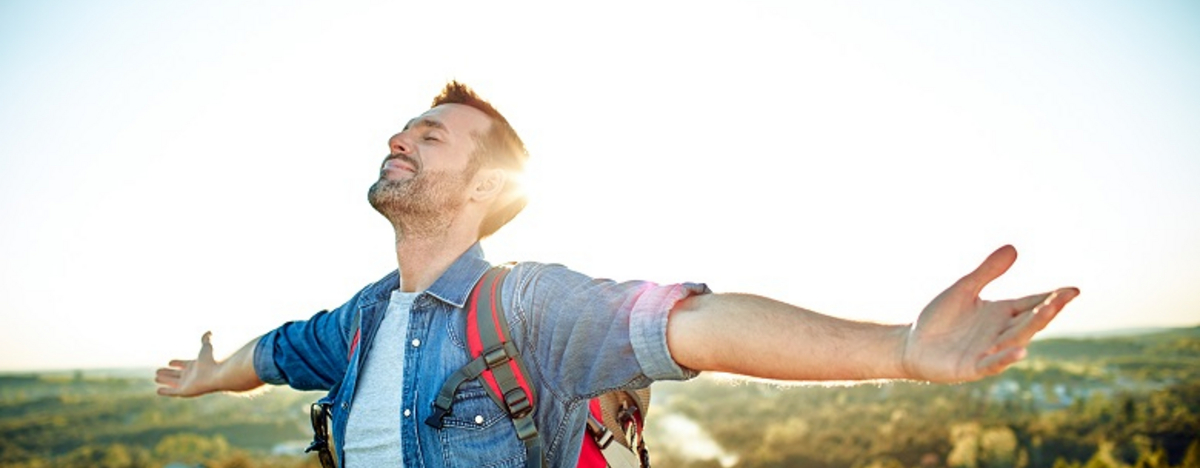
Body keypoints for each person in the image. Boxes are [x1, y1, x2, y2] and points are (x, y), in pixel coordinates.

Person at [155, 81, 1080, 468]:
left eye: (427, 135)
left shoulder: (526, 304)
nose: (397, 138)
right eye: (404, 128)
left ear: (484, 186)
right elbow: (272, 354)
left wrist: (903, 350)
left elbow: (693, 324)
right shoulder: (357, 323)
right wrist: (207, 377)